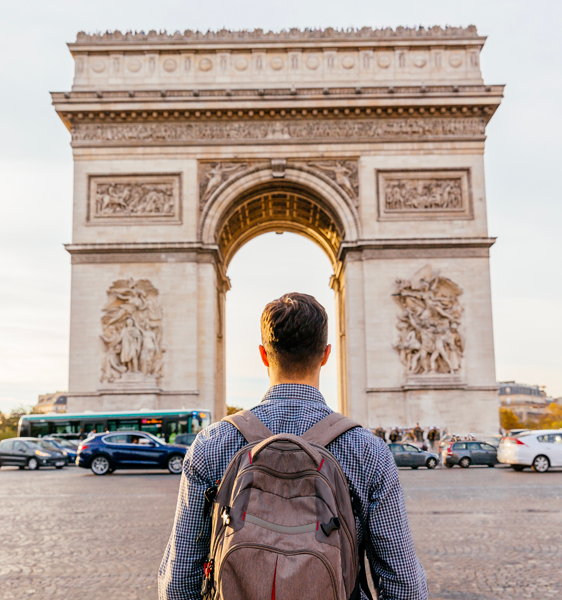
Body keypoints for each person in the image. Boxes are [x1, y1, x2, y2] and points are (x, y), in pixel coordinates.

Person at [158, 293, 427, 600]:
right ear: (326, 354)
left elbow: (179, 581)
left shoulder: (211, 445)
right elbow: (403, 583)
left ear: (263, 354)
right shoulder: (368, 451)